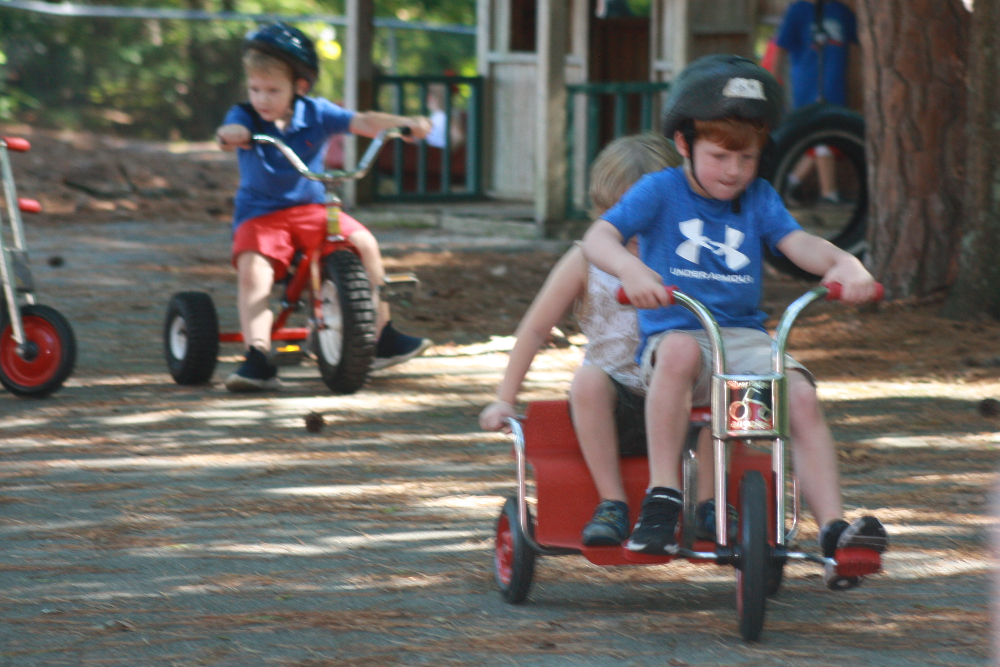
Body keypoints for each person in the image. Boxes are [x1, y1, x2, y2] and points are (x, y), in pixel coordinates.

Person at [581, 54, 888, 587]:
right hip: (678, 335)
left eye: (746, 157)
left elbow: (798, 244)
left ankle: (834, 530)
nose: (734, 171)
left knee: (801, 395)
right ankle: (662, 496)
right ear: (683, 144)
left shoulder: (759, 198)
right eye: (720, 155)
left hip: (742, 339)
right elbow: (598, 237)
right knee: (677, 351)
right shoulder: (659, 192)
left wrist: (844, 263)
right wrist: (632, 269)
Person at [480, 134, 724, 547]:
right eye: (618, 216)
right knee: (589, 381)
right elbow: (536, 328)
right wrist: (505, 396)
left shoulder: (689, 253)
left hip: (685, 401)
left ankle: (710, 506)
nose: (632, 231)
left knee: (721, 393)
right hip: (622, 404)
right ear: (601, 212)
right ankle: (612, 503)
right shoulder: (585, 260)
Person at [216, 23, 433, 391]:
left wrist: (405, 124)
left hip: (312, 209)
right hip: (261, 216)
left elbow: (363, 121)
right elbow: (227, 135)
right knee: (255, 270)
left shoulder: (316, 112)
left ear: (299, 87)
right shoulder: (246, 117)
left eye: (273, 90)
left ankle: (381, 334)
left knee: (364, 242)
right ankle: (258, 355)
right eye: (255, 89)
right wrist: (231, 136)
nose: (262, 99)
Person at [768, 0, 858, 205]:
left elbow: (861, 38)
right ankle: (829, 194)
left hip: (835, 85)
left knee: (828, 135)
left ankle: (789, 182)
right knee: (819, 135)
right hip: (806, 85)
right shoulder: (798, 11)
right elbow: (780, 49)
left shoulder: (840, 11)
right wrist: (774, 86)